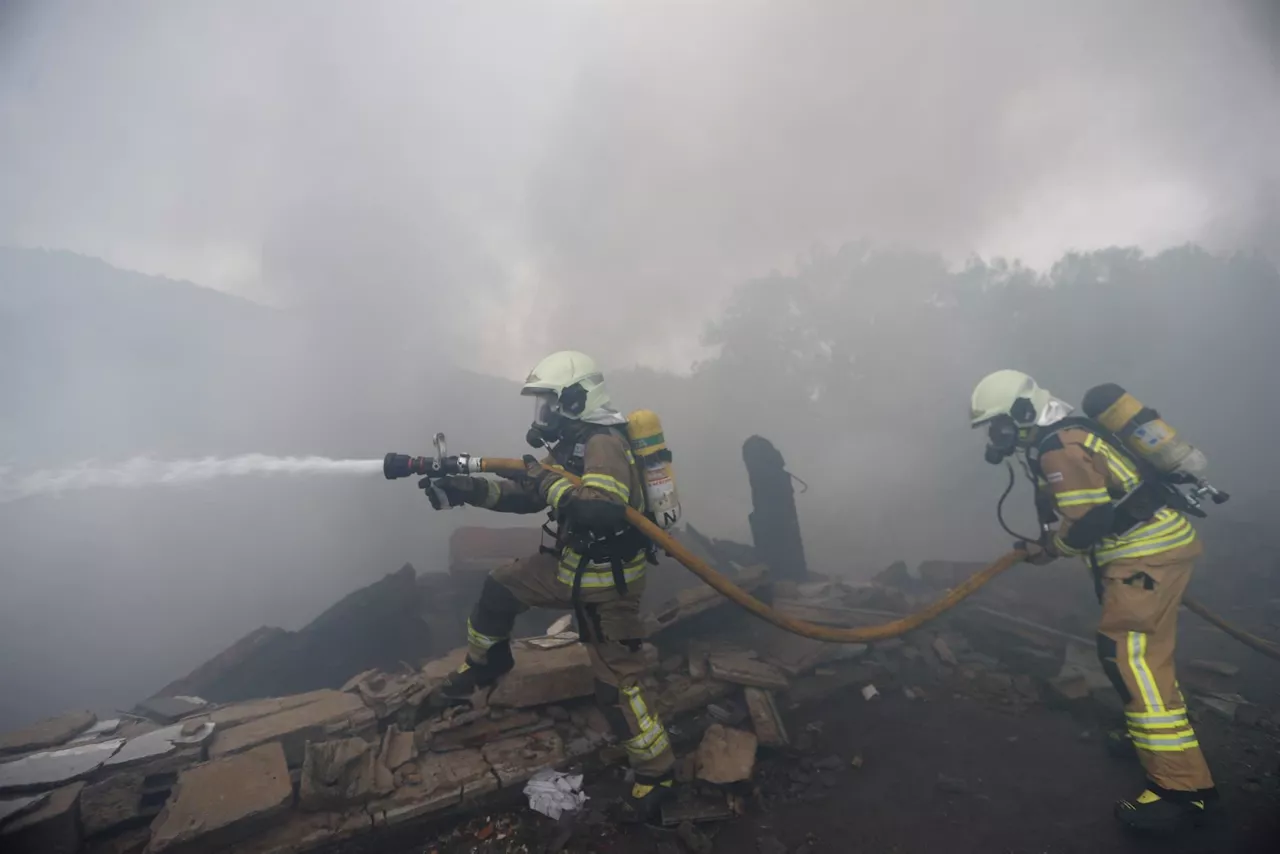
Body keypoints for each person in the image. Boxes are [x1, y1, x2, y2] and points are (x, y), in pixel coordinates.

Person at [422, 350, 674, 822]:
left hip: (608, 586)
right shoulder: (572, 445)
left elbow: (599, 508)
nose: (544, 415)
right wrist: (465, 490)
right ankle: (487, 662)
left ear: (576, 399)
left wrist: (545, 482)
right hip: (568, 567)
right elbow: (524, 495)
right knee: (500, 587)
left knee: (616, 688)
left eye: (549, 403)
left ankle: (657, 773)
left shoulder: (603, 443)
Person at [969, 369, 1218, 834]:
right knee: (1146, 659)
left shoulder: (1058, 445)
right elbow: (1072, 511)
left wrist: (1055, 550)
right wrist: (1051, 544)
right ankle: (1152, 739)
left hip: (1145, 558)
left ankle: (1183, 791)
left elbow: (1087, 522)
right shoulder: (1063, 435)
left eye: (1000, 426)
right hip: (1148, 552)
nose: (997, 437)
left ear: (1024, 412)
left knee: (1131, 660)